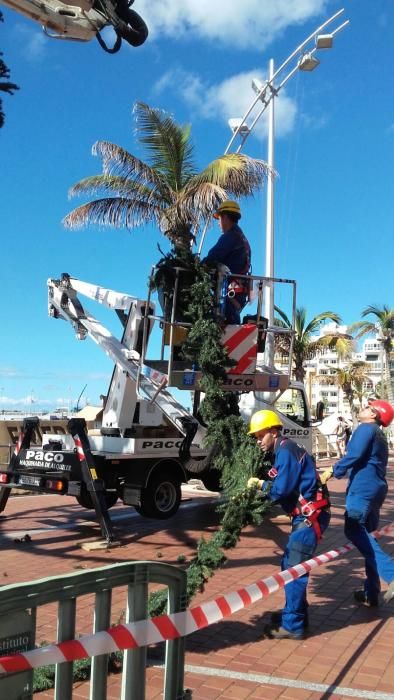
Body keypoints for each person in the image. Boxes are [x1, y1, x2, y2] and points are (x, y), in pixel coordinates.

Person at [247, 409, 331, 639]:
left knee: (294, 571)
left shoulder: (284, 452)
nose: (258, 441)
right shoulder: (288, 448)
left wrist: (260, 486)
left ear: (274, 432)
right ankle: (294, 613)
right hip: (309, 515)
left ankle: (292, 626)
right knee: (290, 566)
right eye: (255, 437)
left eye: (260, 435)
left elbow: (281, 490)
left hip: (309, 518)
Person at [320, 399, 394, 606]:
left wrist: (332, 471)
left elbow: (354, 455)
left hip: (363, 488)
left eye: (369, 407)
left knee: (354, 530)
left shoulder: (366, 428)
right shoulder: (378, 434)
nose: (364, 407)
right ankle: (371, 592)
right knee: (369, 537)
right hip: (376, 489)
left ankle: (391, 574)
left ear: (374, 415)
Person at [204, 200, 251, 324]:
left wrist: (197, 267)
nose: (219, 223)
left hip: (227, 297)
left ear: (224, 217)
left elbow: (212, 259)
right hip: (235, 297)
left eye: (219, 219)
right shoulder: (241, 238)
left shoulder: (230, 237)